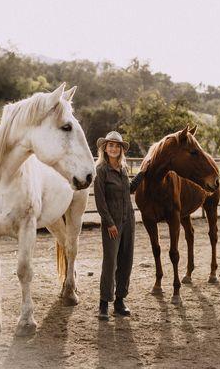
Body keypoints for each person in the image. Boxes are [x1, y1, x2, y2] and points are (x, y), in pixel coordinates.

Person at [94, 131, 136, 320]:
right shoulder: (101, 170)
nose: (113, 148)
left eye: (117, 146)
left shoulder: (123, 169)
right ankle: (104, 303)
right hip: (112, 223)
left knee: (126, 260)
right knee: (110, 262)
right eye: (110, 145)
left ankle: (120, 301)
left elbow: (129, 190)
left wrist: (143, 174)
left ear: (120, 150)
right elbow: (100, 200)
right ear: (105, 148)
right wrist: (109, 223)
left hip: (129, 221)